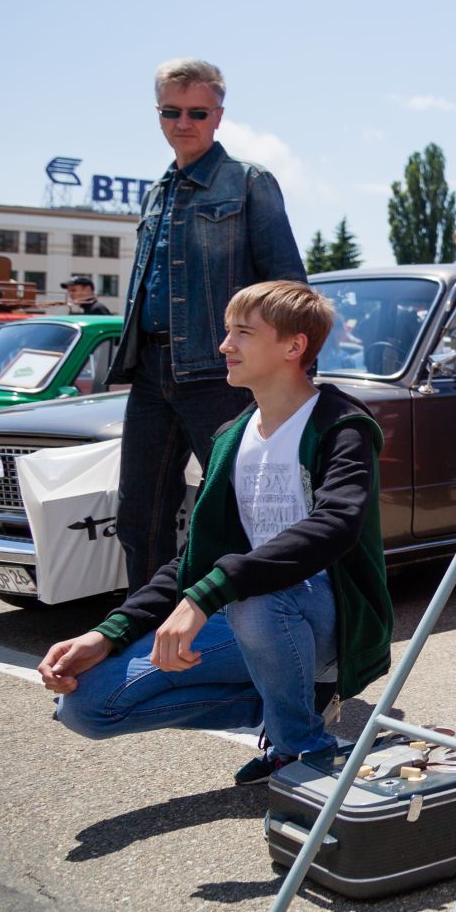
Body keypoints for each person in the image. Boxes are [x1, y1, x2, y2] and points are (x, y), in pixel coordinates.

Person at [39, 280, 393, 784]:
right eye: (227, 332)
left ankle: (301, 748)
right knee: (86, 705)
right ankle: (282, 705)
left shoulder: (340, 423)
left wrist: (207, 596)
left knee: (254, 593)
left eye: (242, 333)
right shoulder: (232, 437)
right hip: (251, 616)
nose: (225, 346)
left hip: (326, 620)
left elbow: (335, 525)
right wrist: (107, 633)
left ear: (294, 347)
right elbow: (195, 559)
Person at [110, 59, 305, 591]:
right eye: (171, 111)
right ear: (158, 114)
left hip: (220, 373)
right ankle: (140, 636)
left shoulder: (248, 183)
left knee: (239, 513)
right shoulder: (156, 193)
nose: (184, 122)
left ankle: (249, 632)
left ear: (218, 115)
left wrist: (288, 380)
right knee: (139, 514)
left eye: (197, 112)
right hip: (152, 371)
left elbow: (289, 288)